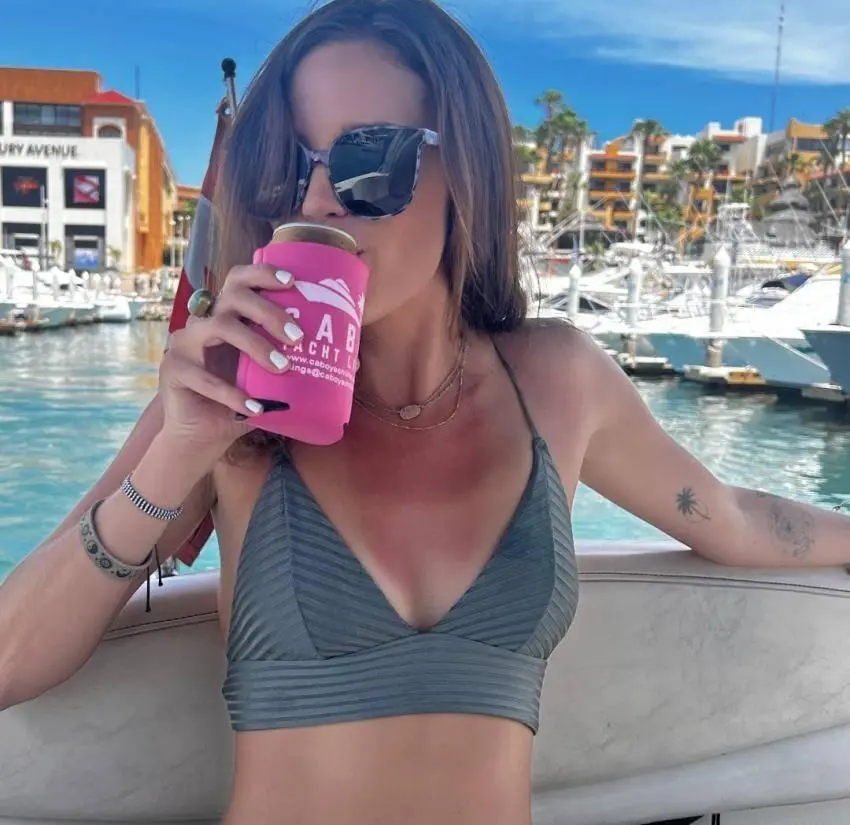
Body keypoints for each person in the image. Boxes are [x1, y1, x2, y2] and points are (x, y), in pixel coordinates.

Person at [1, 1, 849, 824]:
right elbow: (8, 660)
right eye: (289, 166)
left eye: (370, 160)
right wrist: (172, 458)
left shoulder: (558, 381)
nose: (319, 200)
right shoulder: (228, 390)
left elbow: (732, 517)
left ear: (466, 170)